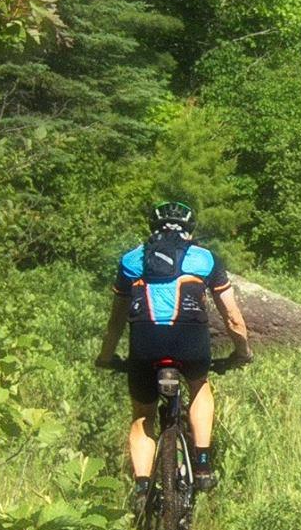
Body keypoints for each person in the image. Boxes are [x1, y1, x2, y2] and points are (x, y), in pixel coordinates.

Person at [96, 201, 253, 501]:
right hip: (190, 341)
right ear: (190, 229)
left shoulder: (131, 260)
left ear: (152, 228)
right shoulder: (206, 259)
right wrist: (242, 351)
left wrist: (106, 355)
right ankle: (203, 465)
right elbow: (233, 318)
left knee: (143, 415)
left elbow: (115, 321)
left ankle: (143, 489)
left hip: (145, 343)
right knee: (199, 386)